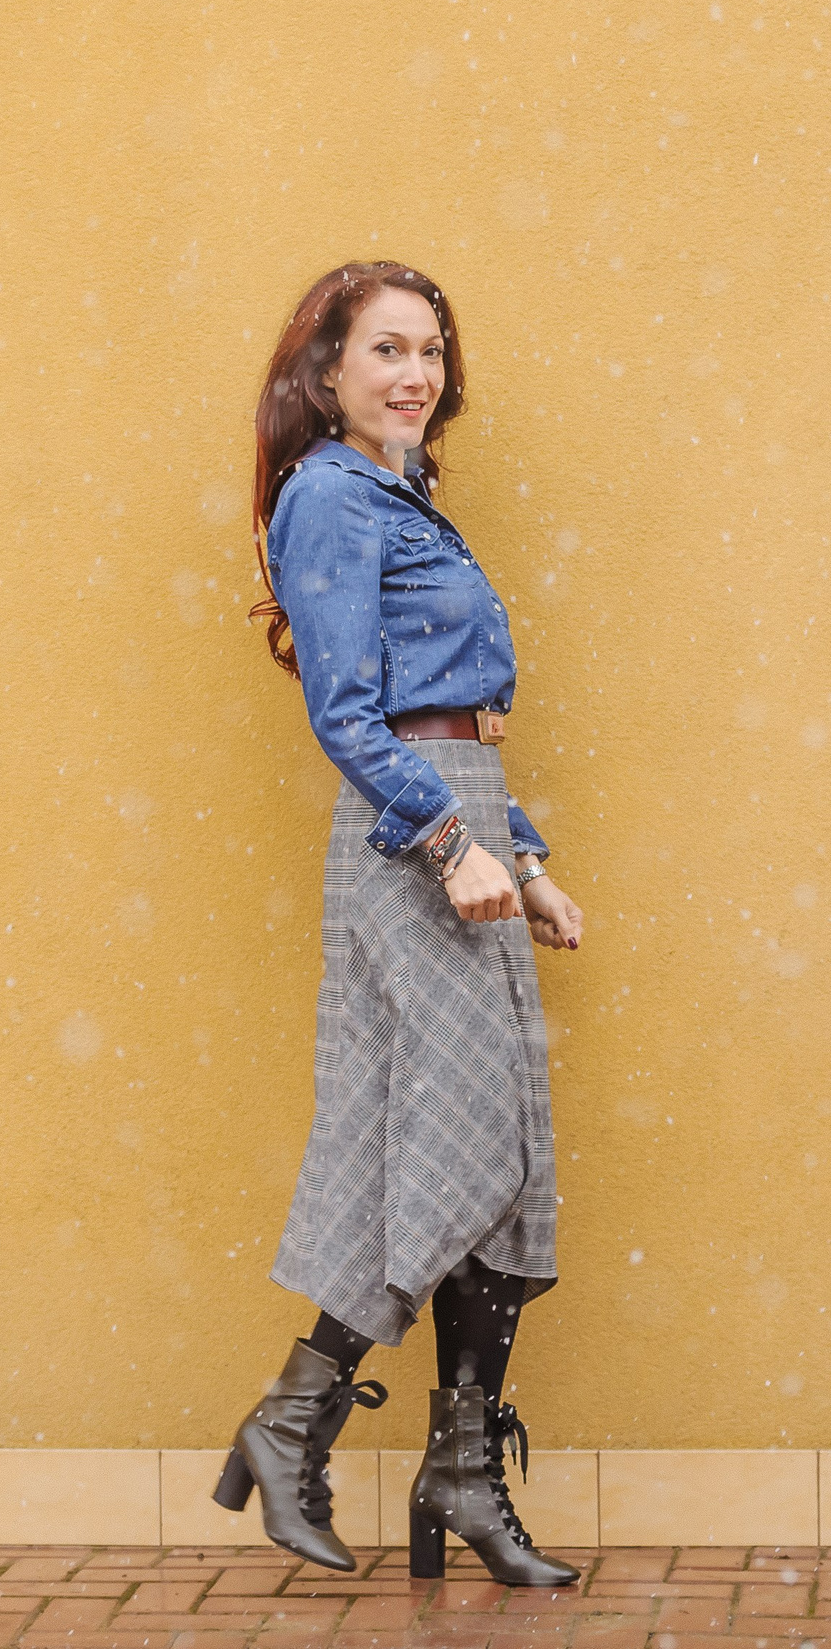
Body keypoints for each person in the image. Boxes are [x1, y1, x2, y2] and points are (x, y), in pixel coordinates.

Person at [210, 261, 586, 1584]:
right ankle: (296, 1422)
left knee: (504, 1162)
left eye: (429, 350)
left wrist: (519, 857)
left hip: (465, 827)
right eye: (384, 351)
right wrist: (449, 843)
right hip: (408, 849)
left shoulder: (408, 496)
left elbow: (460, 709)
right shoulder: (328, 497)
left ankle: (456, 1467)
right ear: (324, 378)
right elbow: (350, 715)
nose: (414, 373)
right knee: (445, 1150)